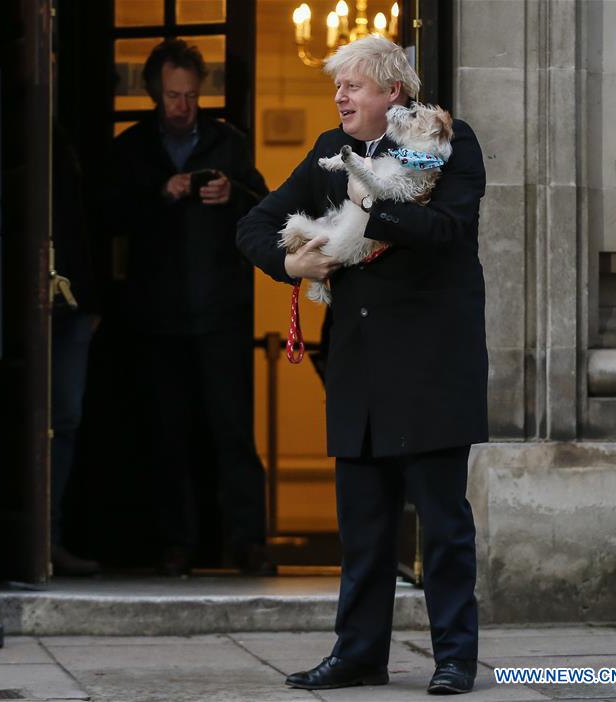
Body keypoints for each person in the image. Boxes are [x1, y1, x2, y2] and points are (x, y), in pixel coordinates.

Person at [236, 36, 488, 695]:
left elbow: (446, 230)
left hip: (434, 368)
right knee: (364, 531)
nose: (340, 97)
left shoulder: (450, 146)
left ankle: (456, 658)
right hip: (358, 367)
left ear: (392, 93)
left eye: (354, 85)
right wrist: (293, 263)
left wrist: (369, 203)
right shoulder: (329, 154)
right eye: (338, 87)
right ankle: (358, 655)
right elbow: (253, 225)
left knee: (443, 529)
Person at [110, 39, 272, 576]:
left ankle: (249, 542)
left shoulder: (229, 143)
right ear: (155, 93)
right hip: (157, 316)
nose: (183, 106)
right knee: (168, 436)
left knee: (233, 432)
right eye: (173, 96)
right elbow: (109, 218)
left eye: (190, 96)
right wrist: (162, 191)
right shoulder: (132, 148)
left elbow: (265, 209)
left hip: (221, 310)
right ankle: (175, 546)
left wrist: (233, 194)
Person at [50, 120, 102, 576]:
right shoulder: (24, 133)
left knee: (65, 420)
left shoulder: (65, 144)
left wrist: (90, 298)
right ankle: (39, 540)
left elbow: (85, 225)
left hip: (72, 303)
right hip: (29, 307)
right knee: (40, 422)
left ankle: (51, 537)